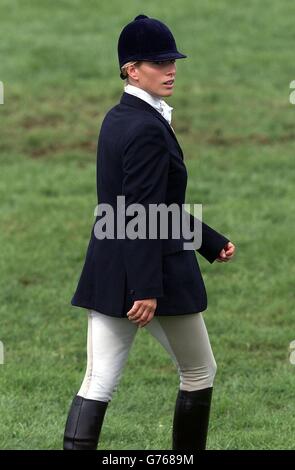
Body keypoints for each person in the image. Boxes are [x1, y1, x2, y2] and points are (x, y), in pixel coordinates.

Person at [63, 14, 236, 451]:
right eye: (159, 62)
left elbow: (139, 207)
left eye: (172, 60)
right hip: (153, 271)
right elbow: (142, 212)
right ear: (131, 69)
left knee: (98, 380)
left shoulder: (117, 117)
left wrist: (209, 241)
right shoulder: (146, 128)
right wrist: (145, 288)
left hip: (109, 265)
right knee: (199, 371)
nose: (171, 69)